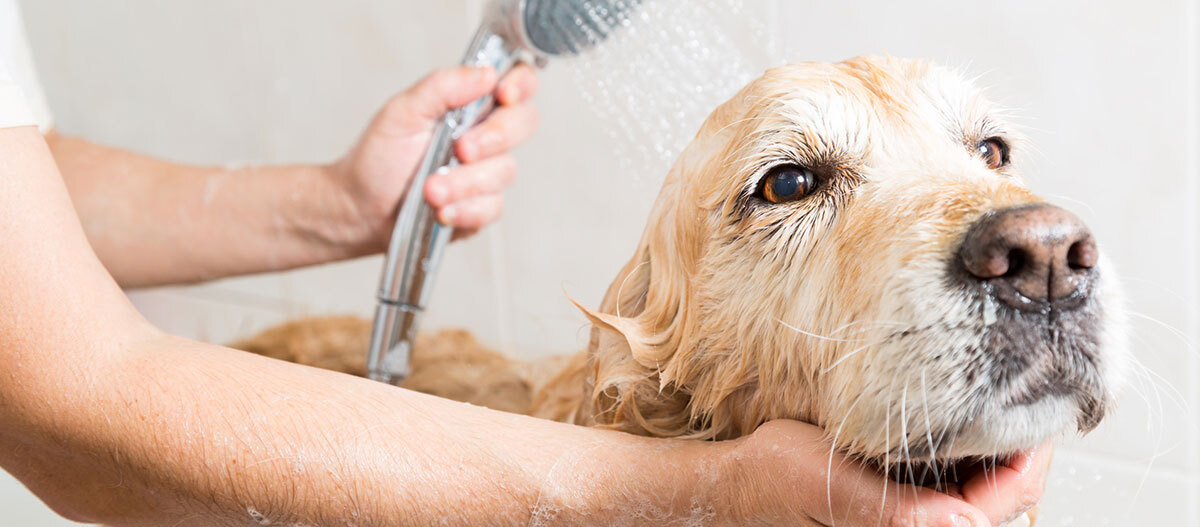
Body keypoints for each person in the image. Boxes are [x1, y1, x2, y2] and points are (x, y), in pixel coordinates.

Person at [0, 2, 1049, 525]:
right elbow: (59, 392)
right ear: (666, 378)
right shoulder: (670, 451)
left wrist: (331, 207)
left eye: (989, 150)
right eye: (791, 183)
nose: (1027, 239)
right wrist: (696, 494)